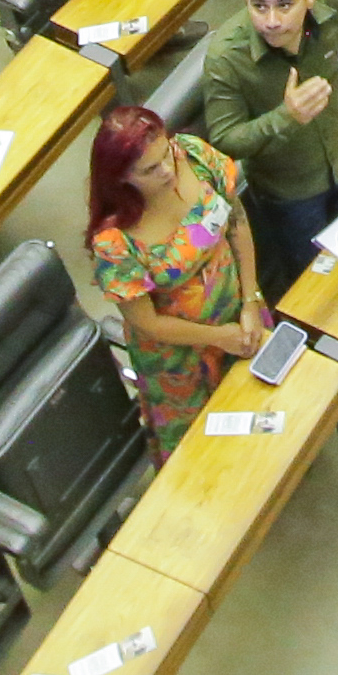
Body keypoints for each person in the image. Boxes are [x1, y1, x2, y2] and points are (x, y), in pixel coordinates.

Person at [201, 0, 338, 293]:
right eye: (259, 6)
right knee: (315, 281)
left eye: (284, 5)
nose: (272, 21)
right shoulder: (226, 58)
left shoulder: (332, 1)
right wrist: (285, 117)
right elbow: (224, 140)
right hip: (293, 194)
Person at [79, 105, 257, 436]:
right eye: (149, 169)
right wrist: (219, 337)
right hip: (180, 361)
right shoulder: (114, 241)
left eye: (166, 154)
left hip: (237, 315)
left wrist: (251, 302)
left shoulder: (192, 155)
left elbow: (236, 221)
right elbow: (147, 322)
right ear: (121, 178)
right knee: (202, 441)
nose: (166, 170)